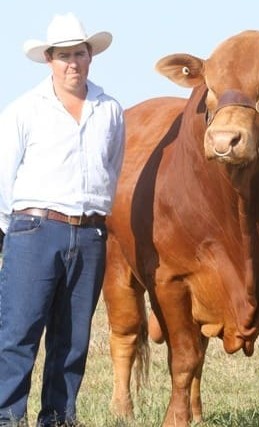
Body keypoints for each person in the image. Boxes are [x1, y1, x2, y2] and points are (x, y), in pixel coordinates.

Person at [0, 13, 125, 427]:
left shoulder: (110, 110)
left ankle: (58, 418)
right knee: (19, 333)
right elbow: (4, 175)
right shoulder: (23, 110)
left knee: (72, 341)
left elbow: (112, 168)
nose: (72, 62)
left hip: (89, 233)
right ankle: (7, 418)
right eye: (63, 55)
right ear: (49, 60)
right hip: (34, 228)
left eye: (79, 53)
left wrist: (96, 222)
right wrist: (13, 230)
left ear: (91, 57)